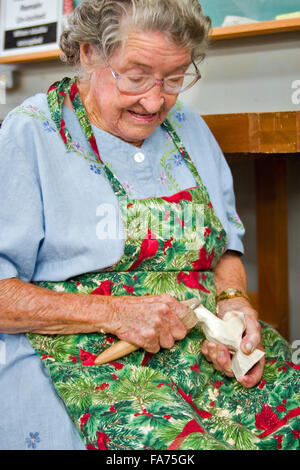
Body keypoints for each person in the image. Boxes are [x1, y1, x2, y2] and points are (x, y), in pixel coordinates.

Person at [0, 0, 299, 451]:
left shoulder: (190, 128)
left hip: (201, 353)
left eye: (175, 78)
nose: (155, 100)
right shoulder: (33, 134)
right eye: (136, 77)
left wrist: (234, 305)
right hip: (90, 357)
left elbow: (225, 248)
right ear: (89, 55)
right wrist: (116, 312)